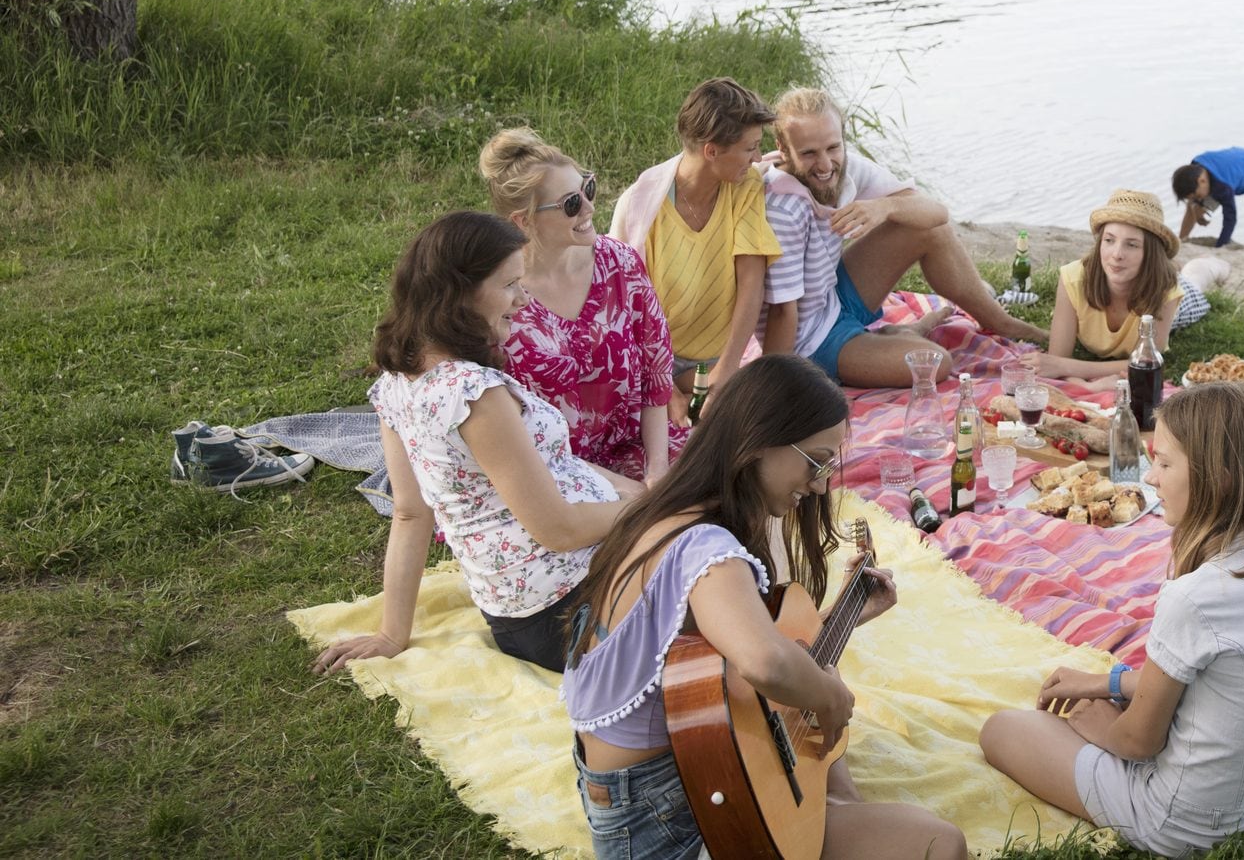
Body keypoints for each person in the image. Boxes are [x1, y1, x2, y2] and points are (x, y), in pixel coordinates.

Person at [560, 354, 967, 860]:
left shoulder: (660, 515)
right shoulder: (706, 549)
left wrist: (843, 616)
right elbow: (766, 662)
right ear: (759, 443)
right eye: (815, 461)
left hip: (648, 803)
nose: (820, 484)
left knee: (825, 760)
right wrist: (828, 698)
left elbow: (733, 655)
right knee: (939, 843)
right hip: (675, 825)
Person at [980, 383, 1244, 858]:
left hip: (1185, 824)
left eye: (1165, 463)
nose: (1151, 477)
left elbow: (1139, 741)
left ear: (1221, 478)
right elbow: (1214, 676)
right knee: (1243, 692)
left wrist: (1100, 728)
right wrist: (1103, 681)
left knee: (1001, 730)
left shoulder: (1197, 596)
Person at [312, 212, 642, 676]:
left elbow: (410, 512)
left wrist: (392, 633)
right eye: (510, 285)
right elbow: (559, 530)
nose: (523, 300)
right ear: (460, 294)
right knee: (721, 554)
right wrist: (660, 506)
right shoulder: (474, 394)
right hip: (574, 609)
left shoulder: (398, 383)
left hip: (525, 616)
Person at [761, 87, 1047, 348]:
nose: (824, 164)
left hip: (834, 297)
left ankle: (1001, 323)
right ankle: (901, 335)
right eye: (809, 153)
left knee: (931, 229)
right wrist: (783, 380)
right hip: (809, 342)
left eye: (833, 147)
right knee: (934, 363)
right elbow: (781, 309)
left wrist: (884, 208)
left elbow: (937, 214)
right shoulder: (781, 205)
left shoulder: (845, 167)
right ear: (783, 148)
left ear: (842, 138)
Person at [479, 127, 687, 483]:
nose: (590, 207)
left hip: (635, 448)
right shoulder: (500, 300)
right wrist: (629, 491)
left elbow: (656, 374)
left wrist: (657, 470)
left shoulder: (619, 262)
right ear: (524, 220)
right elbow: (514, 433)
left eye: (586, 188)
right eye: (571, 204)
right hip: (553, 472)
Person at [610, 77, 782, 415]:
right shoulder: (641, 206)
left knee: (749, 414)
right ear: (712, 151)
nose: (758, 157)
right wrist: (663, 387)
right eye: (750, 148)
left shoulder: (744, 186)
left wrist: (726, 370)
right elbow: (621, 308)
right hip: (646, 360)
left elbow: (751, 282)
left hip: (711, 362)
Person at [1033, 190, 1222, 387]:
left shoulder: (1166, 291)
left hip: (1159, 286)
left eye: (1131, 245)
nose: (1116, 254)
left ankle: (1210, 264)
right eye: (1109, 240)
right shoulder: (1073, 279)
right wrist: (1087, 384)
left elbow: (1148, 363)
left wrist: (1073, 372)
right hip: (1145, 275)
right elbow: (1057, 359)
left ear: (1150, 253)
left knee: (1195, 280)